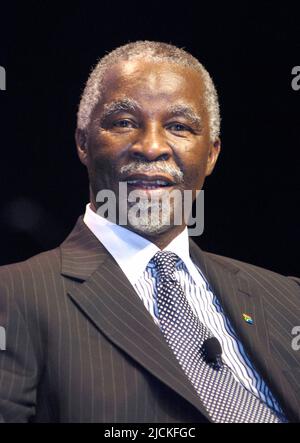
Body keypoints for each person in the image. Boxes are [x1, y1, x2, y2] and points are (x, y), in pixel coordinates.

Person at [0, 41, 299, 423]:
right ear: (83, 143)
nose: (152, 146)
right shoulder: (14, 296)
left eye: (178, 126)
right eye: (124, 122)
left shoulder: (287, 299)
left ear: (211, 154)